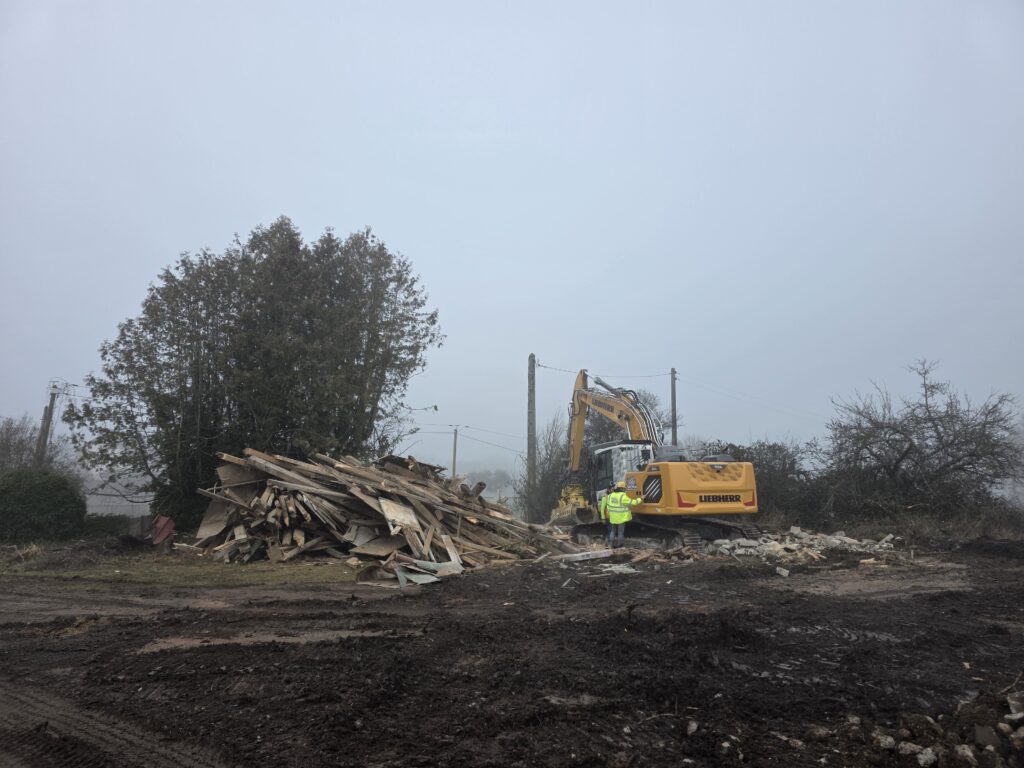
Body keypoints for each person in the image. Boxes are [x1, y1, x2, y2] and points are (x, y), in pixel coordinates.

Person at [602, 480, 641, 549]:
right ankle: (620, 545)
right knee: (620, 532)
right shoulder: (623, 496)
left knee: (613, 531)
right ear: (622, 488)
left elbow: (608, 505)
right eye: (624, 489)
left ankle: (611, 544)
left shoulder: (610, 496)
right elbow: (633, 502)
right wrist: (641, 499)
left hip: (613, 517)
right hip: (621, 518)